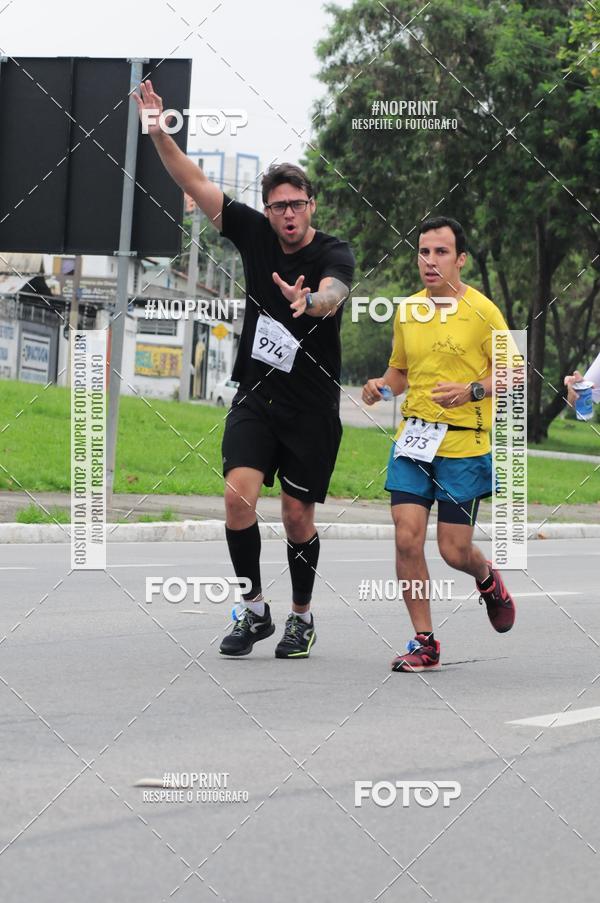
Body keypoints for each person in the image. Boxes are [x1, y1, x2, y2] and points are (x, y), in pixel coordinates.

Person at [134, 81, 355, 659]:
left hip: (310, 405)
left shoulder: (334, 251)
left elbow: (335, 290)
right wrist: (159, 131)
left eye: (297, 205)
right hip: (257, 393)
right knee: (237, 498)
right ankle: (255, 609)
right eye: (278, 205)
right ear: (268, 208)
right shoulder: (252, 232)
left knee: (297, 515)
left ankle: (301, 618)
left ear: (312, 206)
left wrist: (313, 302)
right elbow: (193, 180)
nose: (287, 214)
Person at [362, 216, 516, 673]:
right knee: (406, 537)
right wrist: (380, 388)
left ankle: (487, 578)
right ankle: (424, 641)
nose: (430, 261)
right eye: (424, 252)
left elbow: (512, 374)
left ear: (460, 259)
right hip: (414, 439)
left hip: (464, 444)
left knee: (453, 551)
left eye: (441, 252)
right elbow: (401, 374)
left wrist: (473, 390)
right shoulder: (408, 310)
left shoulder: (484, 312)